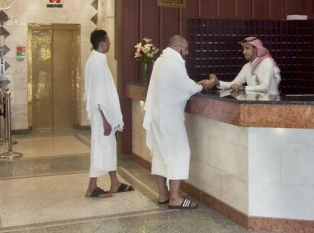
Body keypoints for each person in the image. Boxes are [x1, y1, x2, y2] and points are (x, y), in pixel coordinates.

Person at [143, 35, 215, 209]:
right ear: (177, 48)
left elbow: (179, 84)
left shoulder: (161, 61)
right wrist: (208, 84)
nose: (187, 53)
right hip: (169, 117)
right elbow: (187, 88)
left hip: (157, 116)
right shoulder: (173, 62)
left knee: (160, 153)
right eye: (186, 49)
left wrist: (195, 84)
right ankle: (175, 198)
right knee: (180, 152)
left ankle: (163, 194)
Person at [83, 29, 134, 198]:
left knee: (109, 147)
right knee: (99, 148)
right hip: (101, 116)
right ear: (102, 43)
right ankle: (92, 187)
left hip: (104, 114)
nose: (110, 44)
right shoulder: (97, 62)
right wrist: (105, 120)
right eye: (108, 41)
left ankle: (115, 182)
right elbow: (97, 95)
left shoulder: (96, 59)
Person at [210, 36, 281, 95]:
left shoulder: (267, 62)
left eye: (247, 48)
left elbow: (265, 87)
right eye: (243, 49)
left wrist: (243, 88)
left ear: (256, 49)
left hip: (270, 104)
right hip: (253, 105)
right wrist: (218, 83)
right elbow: (235, 84)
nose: (244, 52)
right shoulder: (247, 66)